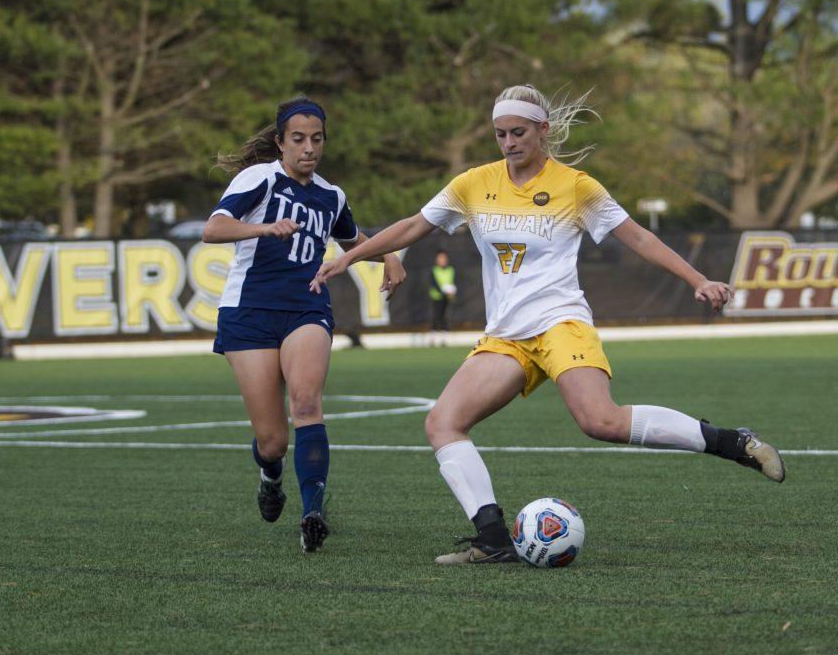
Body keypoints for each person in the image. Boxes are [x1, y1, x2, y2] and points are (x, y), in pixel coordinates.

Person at [311, 84, 783, 565]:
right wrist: (351, 257)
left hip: (561, 324)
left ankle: (731, 442)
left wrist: (697, 279)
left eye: (518, 132)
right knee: (443, 423)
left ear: (543, 130)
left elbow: (637, 237)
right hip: (506, 336)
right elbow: (413, 225)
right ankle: (493, 541)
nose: (509, 142)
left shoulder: (576, 186)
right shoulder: (473, 183)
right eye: (500, 134)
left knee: (600, 421)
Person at [204, 96, 405, 553]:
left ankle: (312, 512)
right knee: (272, 441)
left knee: (307, 403)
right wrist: (264, 228)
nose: (308, 148)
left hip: (306, 308)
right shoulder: (259, 178)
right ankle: (270, 474)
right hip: (249, 313)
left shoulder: (331, 195)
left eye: (316, 139)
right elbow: (212, 229)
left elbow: (354, 239)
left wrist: (389, 254)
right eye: (298, 139)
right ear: (280, 142)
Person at [429, 249, 457, 335]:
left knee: (446, 315)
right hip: (437, 297)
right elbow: (434, 283)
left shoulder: (451, 269)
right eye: (440, 258)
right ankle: (433, 333)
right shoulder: (434, 270)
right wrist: (444, 291)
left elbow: (453, 282)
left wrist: (452, 291)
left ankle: (445, 333)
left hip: (448, 297)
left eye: (444, 258)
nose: (442, 260)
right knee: (437, 314)